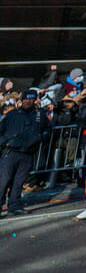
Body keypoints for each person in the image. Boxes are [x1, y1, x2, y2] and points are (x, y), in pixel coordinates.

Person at [0, 87, 46, 215]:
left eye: (31, 99)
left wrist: (39, 138)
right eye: (26, 99)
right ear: (21, 100)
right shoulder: (12, 114)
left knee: (19, 182)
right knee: (4, 180)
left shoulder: (40, 115)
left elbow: (48, 130)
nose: (28, 102)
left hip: (27, 153)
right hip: (10, 152)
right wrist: (5, 142)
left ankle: (14, 205)